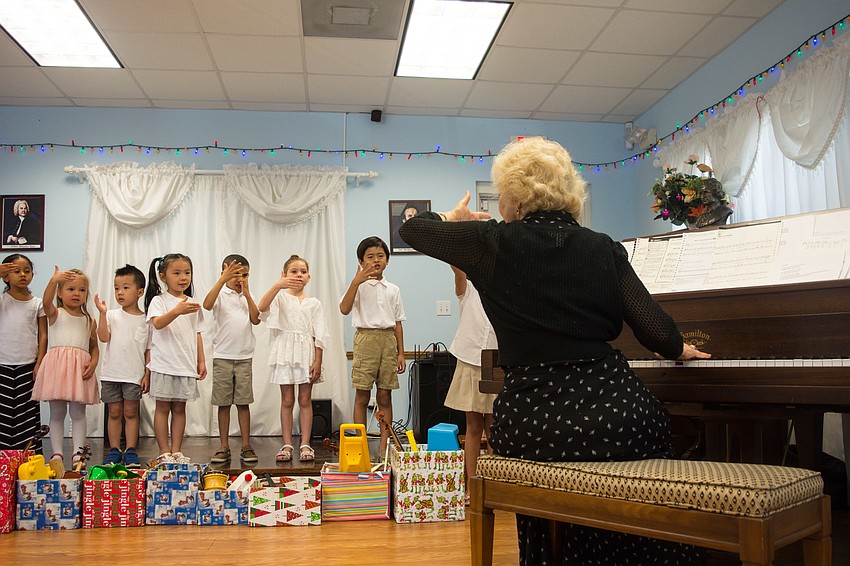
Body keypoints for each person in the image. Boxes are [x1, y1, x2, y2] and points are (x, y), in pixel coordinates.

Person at [399, 137, 711, 565]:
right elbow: (657, 331)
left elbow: (412, 229)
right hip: (619, 412)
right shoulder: (603, 247)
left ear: (513, 196)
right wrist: (681, 350)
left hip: (536, 419)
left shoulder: (492, 242)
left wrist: (453, 217)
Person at [258, 255, 328, 463]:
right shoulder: (280, 298)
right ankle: (287, 443)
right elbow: (261, 307)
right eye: (293, 271)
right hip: (285, 352)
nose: (299, 275)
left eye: (303, 272)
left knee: (305, 400)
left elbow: (320, 333)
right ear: (284, 274)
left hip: (306, 352)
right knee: (287, 400)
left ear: (309, 277)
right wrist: (277, 285)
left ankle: (305, 443)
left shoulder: (314, 303)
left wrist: (318, 360)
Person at [339, 236, 406, 456]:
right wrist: (355, 281)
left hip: (388, 341)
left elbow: (397, 322)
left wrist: (401, 353)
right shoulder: (358, 286)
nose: (376, 260)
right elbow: (344, 309)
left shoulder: (393, 289)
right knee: (362, 395)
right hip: (365, 340)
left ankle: (384, 445)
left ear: (387, 260)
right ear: (361, 261)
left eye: (380, 256)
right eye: (370, 257)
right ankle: (361, 446)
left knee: (385, 395)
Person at [32, 266, 100, 469]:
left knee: (79, 413)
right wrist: (54, 280)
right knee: (57, 412)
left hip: (79, 369)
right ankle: (57, 454)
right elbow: (45, 302)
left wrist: (94, 362)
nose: (76, 294)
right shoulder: (55, 313)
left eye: (81, 290)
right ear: (60, 293)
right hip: (58, 368)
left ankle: (78, 455)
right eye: (70, 289)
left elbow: (94, 346)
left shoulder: (89, 320)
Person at [144, 253, 206, 464]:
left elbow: (197, 332)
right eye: (177, 272)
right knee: (162, 408)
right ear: (163, 276)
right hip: (164, 364)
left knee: (180, 408)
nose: (183, 277)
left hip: (185, 365)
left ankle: (177, 450)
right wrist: (177, 310)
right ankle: (164, 451)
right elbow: (158, 324)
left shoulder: (192, 303)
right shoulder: (159, 301)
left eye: (187, 273)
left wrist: (201, 360)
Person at [445, 266, 497, 501]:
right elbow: (456, 267)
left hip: (498, 360)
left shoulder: (503, 287)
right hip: (470, 357)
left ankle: (495, 485)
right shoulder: (467, 286)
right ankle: (472, 486)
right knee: (473, 426)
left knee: (495, 427)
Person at [203, 254, 260, 465]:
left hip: (244, 357)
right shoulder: (220, 294)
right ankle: (223, 446)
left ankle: (246, 445)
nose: (240, 279)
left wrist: (247, 295)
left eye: (244, 275)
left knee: (243, 403)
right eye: (235, 274)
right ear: (224, 273)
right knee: (223, 403)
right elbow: (207, 305)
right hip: (223, 357)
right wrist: (220, 281)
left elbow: (256, 319)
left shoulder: (247, 295)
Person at [93, 264, 150, 469]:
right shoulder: (111, 315)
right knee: (114, 412)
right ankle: (115, 450)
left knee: (131, 412)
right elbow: (103, 336)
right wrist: (101, 313)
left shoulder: (146, 320)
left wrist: (147, 373)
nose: (120, 292)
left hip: (133, 375)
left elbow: (148, 350)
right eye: (117, 288)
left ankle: (132, 450)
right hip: (111, 374)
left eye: (126, 287)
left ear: (140, 291)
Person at [0, 254, 47, 451]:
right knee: (3, 411)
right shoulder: (2, 301)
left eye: (27, 271)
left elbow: (43, 336)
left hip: (28, 364)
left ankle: (27, 455)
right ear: (5, 276)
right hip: (3, 363)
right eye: (16, 271)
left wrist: (39, 362)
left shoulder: (37, 303)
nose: (22, 275)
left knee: (26, 411)